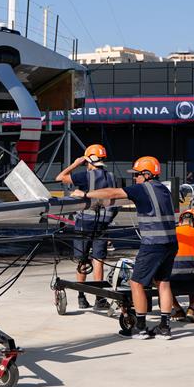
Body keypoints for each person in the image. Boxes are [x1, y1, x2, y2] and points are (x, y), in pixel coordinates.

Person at [72, 156, 177, 339]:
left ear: (146, 174)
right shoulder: (164, 189)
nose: (134, 178)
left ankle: (141, 328)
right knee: (164, 283)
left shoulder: (142, 188)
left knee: (136, 283)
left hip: (153, 243)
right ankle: (164, 327)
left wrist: (86, 195)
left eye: (136, 175)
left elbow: (112, 193)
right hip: (170, 242)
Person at [56, 144, 117, 310]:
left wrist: (76, 163)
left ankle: (81, 297)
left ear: (88, 159)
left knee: (82, 260)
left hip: (84, 223)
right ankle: (99, 298)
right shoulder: (111, 176)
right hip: (103, 222)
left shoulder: (86, 176)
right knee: (99, 260)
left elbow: (60, 177)